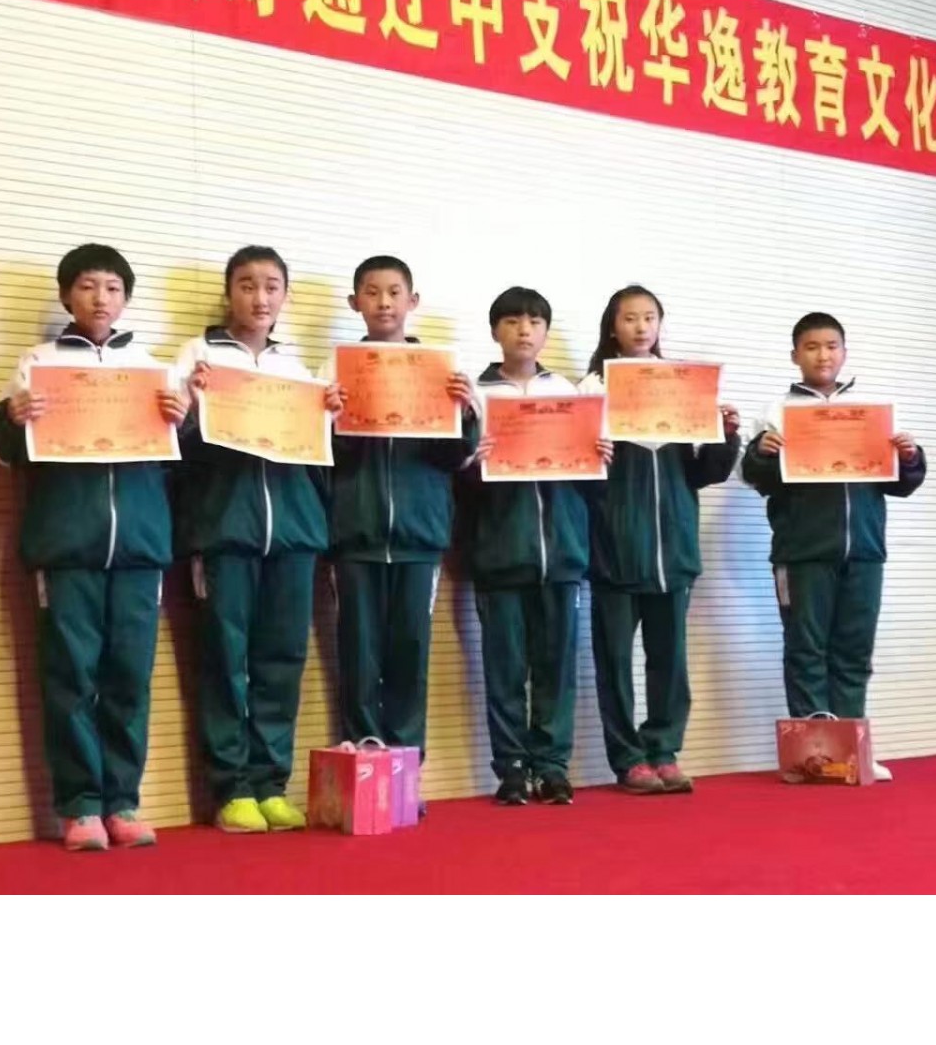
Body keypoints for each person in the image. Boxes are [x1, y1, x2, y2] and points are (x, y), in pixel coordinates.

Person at [0, 243, 186, 850]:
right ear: (66, 295)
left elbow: (179, 462)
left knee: (130, 677)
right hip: (66, 545)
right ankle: (79, 808)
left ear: (126, 299)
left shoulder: (152, 369)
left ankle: (123, 802)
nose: (101, 298)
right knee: (70, 676)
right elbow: (5, 454)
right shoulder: (38, 363)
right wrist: (11, 418)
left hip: (140, 548)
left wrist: (183, 419)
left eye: (113, 288)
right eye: (88, 286)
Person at [175, 246, 343, 833]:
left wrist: (328, 415)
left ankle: (271, 783)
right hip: (224, 532)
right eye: (247, 285)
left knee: (282, 661)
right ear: (229, 293)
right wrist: (191, 406)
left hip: (294, 534)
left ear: (285, 296)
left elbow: (319, 454)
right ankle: (232, 789)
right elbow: (169, 442)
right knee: (225, 660)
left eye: (272, 286)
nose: (260, 297)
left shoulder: (299, 370)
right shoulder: (197, 356)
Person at [740, 312, 926, 780]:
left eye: (831, 346)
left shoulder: (871, 413)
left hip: (864, 551)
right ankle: (813, 756)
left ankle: (851, 750)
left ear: (844, 352)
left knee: (854, 651)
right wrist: (760, 453)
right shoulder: (777, 412)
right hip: (801, 553)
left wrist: (909, 457)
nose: (822, 355)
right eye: (811, 347)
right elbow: (755, 479)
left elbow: (901, 483)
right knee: (805, 649)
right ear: (794, 355)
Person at [579, 285, 740, 793]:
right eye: (630, 318)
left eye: (649, 317)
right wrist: (591, 450)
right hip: (615, 551)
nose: (641, 327)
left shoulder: (682, 387)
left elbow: (703, 472)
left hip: (674, 549)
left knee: (670, 661)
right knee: (615, 664)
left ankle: (664, 750)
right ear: (613, 327)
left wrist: (725, 434)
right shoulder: (591, 389)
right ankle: (628, 760)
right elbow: (578, 478)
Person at [322, 255, 477, 768]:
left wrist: (463, 413)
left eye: (393, 292)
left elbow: (456, 459)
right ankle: (364, 763)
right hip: (355, 533)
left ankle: (406, 769)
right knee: (358, 654)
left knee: (411, 653)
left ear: (413, 301)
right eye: (371, 292)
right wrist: (328, 417)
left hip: (419, 534)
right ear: (355, 303)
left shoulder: (441, 370)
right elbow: (322, 457)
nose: (383, 303)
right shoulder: (333, 370)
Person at [460, 286, 612, 805]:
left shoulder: (570, 394)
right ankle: (510, 769)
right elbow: (456, 479)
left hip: (563, 555)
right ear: (495, 331)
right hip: (499, 554)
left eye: (534, 322)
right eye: (512, 321)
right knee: (503, 671)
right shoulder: (475, 395)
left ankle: (551, 767)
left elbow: (591, 485)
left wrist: (599, 456)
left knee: (556, 670)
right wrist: (471, 458)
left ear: (546, 331)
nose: (523, 331)